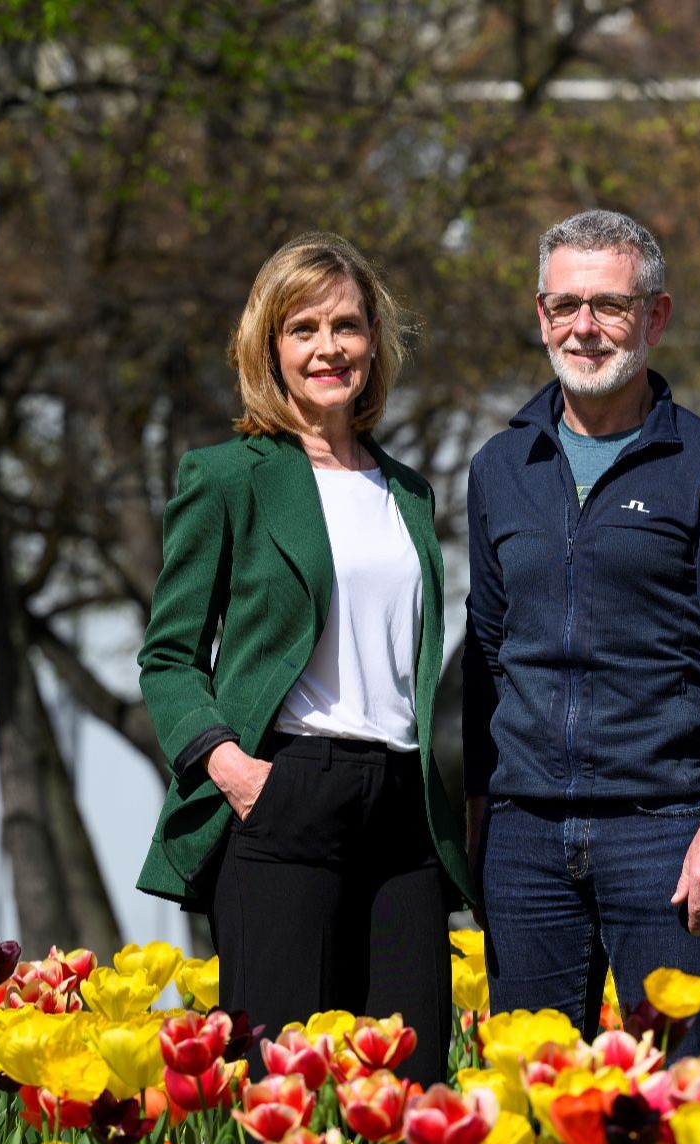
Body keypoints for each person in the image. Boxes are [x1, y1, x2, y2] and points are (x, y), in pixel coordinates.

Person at [137, 233, 468, 1085]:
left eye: (348, 326)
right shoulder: (228, 477)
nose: (329, 348)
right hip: (285, 798)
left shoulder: (409, 491)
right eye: (304, 327)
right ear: (269, 347)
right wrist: (234, 771)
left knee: (412, 1090)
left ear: (374, 343)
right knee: (280, 1095)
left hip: (403, 813)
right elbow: (169, 657)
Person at [462, 211, 700, 1056]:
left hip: (668, 833)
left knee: (680, 1105)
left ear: (656, 315)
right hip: (526, 839)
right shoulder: (500, 468)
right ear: (540, 314)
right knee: (532, 1110)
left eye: (609, 304)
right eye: (565, 304)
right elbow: (487, 653)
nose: (584, 327)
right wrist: (476, 822)